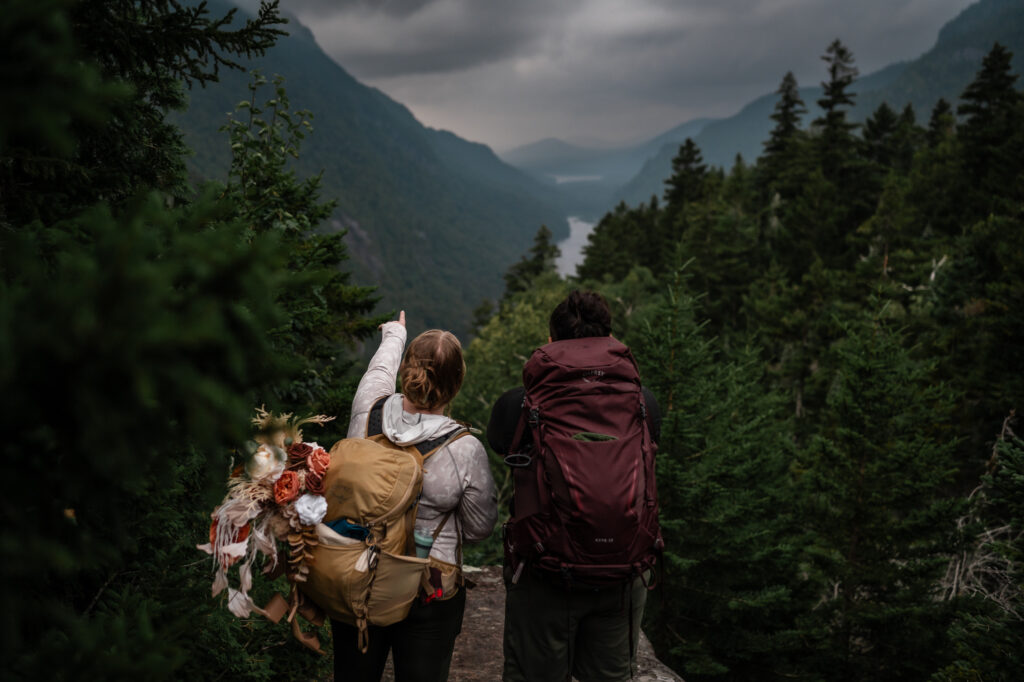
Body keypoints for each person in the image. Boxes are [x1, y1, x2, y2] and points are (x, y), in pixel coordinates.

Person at [488, 290, 662, 682]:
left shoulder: (520, 404)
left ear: (551, 341)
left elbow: (499, 444)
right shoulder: (642, 403)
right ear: (608, 337)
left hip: (544, 571)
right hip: (622, 572)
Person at [333, 310, 498, 682]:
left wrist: (395, 334)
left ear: (407, 372)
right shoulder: (464, 448)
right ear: (456, 385)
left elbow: (378, 371)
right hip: (428, 590)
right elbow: (479, 529)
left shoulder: (367, 410)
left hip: (359, 577)